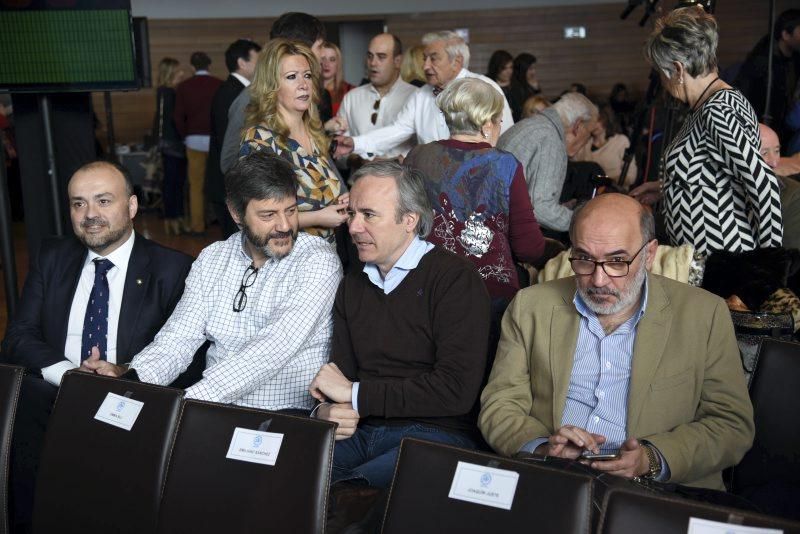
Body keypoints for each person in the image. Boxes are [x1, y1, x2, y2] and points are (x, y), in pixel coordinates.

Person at [479, 193, 754, 490]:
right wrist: (544, 448)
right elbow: (500, 404)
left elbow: (731, 424)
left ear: (649, 254)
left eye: (617, 261)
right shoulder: (531, 306)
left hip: (658, 492)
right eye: (584, 258)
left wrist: (652, 458)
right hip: (553, 478)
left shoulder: (704, 314)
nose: (598, 280)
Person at [2, 160, 194, 533]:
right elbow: (19, 335)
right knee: (22, 402)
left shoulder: (173, 270)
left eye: (104, 201)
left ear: (132, 206)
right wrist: (68, 375)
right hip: (53, 395)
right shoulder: (52, 257)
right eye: (78, 204)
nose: (90, 214)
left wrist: (123, 375)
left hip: (130, 400)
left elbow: (185, 358)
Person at [85, 152, 342, 412]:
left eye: (291, 210)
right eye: (268, 215)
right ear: (236, 213)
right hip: (213, 409)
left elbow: (271, 349)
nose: (285, 225)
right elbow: (178, 338)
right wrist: (132, 382)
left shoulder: (317, 260)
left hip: (285, 416)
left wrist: (183, 404)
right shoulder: (214, 257)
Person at [309, 161, 491, 489]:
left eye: (369, 215)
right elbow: (341, 381)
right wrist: (326, 410)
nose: (353, 227)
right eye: (352, 214)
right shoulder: (352, 285)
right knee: (292, 476)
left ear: (409, 220)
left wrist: (354, 394)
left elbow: (455, 392)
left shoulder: (454, 280)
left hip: (437, 435)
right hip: (362, 431)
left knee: (358, 495)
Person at [645, 6, 783, 254]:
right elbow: (714, 175)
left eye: (661, 74)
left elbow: (764, 185)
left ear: (677, 70)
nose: (662, 84)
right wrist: (664, 186)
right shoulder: (705, 106)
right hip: (705, 259)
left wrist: (768, 264)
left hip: (723, 260)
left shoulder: (718, 110)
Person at [405, 78, 545, 301]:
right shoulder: (504, 164)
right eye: (499, 121)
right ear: (486, 124)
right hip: (487, 292)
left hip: (425, 284)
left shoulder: (417, 156)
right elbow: (528, 248)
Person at [335, 31, 514, 160]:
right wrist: (355, 143)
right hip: (434, 187)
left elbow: (508, 138)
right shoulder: (421, 95)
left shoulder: (486, 88)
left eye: (433, 58)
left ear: (456, 61)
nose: (426, 66)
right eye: (425, 58)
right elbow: (397, 130)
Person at [238, 39, 347, 244]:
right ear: (272, 85)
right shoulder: (259, 140)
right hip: (287, 259)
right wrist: (319, 217)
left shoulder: (314, 132)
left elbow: (327, 190)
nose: (303, 85)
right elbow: (253, 217)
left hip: (328, 256)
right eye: (291, 77)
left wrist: (344, 201)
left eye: (307, 76)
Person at [220, 12, 331, 175]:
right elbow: (231, 164)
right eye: (320, 46)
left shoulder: (304, 101)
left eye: (306, 75)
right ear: (299, 46)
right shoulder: (251, 98)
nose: (323, 54)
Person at [497, 92, 598, 236]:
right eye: (589, 134)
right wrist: (583, 222)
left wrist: (559, 209)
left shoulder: (532, 125)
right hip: (503, 236)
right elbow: (540, 209)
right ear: (578, 125)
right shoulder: (550, 139)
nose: (588, 140)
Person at [207, 39, 262, 239]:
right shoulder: (237, 94)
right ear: (242, 62)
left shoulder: (230, 89)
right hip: (229, 184)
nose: (262, 66)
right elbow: (230, 145)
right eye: (258, 60)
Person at [335, 33, 417, 163]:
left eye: (381, 57)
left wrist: (392, 163)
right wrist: (357, 160)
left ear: (397, 61)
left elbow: (424, 146)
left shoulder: (415, 97)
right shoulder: (352, 97)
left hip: (402, 180)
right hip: (358, 180)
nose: (373, 63)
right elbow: (338, 151)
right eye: (370, 56)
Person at [174, 51, 222, 235]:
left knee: (196, 186)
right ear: (209, 65)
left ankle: (197, 226)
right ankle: (221, 221)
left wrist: (185, 135)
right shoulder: (219, 84)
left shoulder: (184, 86)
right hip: (214, 140)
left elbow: (178, 117)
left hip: (193, 140)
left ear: (192, 67)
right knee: (220, 183)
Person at [734, 9, 800, 143]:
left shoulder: (795, 59)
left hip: (784, 131)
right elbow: (742, 96)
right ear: (786, 34)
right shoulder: (762, 62)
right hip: (760, 131)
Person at [153, 57, 188, 235]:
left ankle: (173, 219)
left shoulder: (163, 91)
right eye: (178, 70)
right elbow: (174, 120)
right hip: (174, 143)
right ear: (171, 72)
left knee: (171, 182)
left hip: (167, 143)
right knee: (174, 183)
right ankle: (174, 219)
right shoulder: (170, 93)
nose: (182, 73)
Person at [573, 104, 638, 190]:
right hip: (588, 193)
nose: (595, 125)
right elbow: (574, 167)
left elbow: (631, 176)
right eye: (592, 121)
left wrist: (607, 180)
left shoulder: (620, 141)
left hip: (614, 193)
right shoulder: (585, 143)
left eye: (599, 120)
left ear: (607, 120)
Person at [760, 123, 800, 250]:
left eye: (777, 151)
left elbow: (792, 260)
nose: (775, 162)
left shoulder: (792, 195)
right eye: (764, 152)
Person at [320, 42, 355, 116]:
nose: (326, 64)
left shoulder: (351, 91)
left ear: (338, 63)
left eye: (332, 59)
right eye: (323, 59)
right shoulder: (308, 90)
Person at [508, 52, 541, 122]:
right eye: (530, 69)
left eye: (534, 68)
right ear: (523, 69)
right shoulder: (515, 88)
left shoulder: (528, 83)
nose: (533, 72)